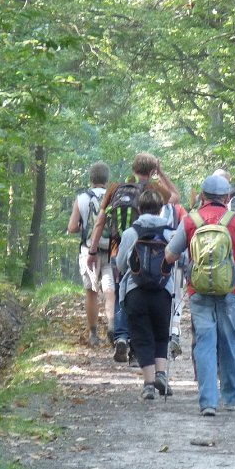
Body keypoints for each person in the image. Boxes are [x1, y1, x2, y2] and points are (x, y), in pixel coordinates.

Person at [164, 175, 235, 417]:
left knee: (205, 343)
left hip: (199, 291)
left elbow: (170, 255)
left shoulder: (190, 221)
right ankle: (231, 398)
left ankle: (208, 401)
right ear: (227, 198)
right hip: (232, 290)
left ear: (202, 197)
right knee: (230, 342)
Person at [86, 153, 179, 363]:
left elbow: (100, 222)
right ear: (152, 169)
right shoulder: (154, 189)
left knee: (121, 292)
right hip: (147, 250)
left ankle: (121, 336)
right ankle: (137, 349)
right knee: (141, 293)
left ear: (133, 168)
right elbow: (175, 197)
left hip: (119, 248)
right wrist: (161, 173)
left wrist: (92, 251)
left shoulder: (116, 188)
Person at [115, 189, 176, 400]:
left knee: (141, 337)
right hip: (163, 292)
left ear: (138, 209)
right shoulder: (170, 232)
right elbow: (177, 260)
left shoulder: (130, 233)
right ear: (161, 209)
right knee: (161, 334)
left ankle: (149, 385)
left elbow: (121, 265)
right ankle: (161, 374)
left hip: (136, 292)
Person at [67, 162, 114, 347]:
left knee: (91, 291)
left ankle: (93, 334)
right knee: (110, 290)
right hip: (110, 250)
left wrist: (82, 226)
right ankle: (112, 324)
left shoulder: (82, 198)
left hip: (88, 252)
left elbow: (72, 227)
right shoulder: (113, 197)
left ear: (91, 178)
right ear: (106, 179)